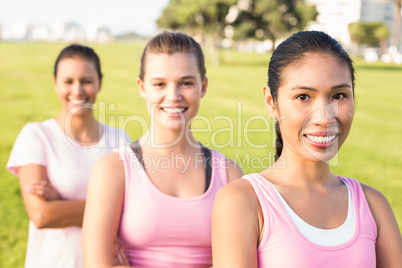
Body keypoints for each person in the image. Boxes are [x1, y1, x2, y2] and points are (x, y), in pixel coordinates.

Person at [211, 31, 402, 267]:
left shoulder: (374, 205)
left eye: (338, 95)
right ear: (271, 102)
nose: (324, 117)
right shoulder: (242, 202)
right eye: (303, 97)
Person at [82, 31, 244, 268]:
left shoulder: (229, 175)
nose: (173, 96)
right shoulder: (113, 170)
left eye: (186, 83)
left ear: (203, 86)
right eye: (159, 84)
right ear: (142, 87)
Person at [6, 44, 130, 268]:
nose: (77, 90)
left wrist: (61, 203)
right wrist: (111, 208)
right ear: (55, 83)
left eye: (87, 81)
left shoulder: (120, 140)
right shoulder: (36, 136)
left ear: (99, 83)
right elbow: (42, 215)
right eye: (68, 81)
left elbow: (134, 211)